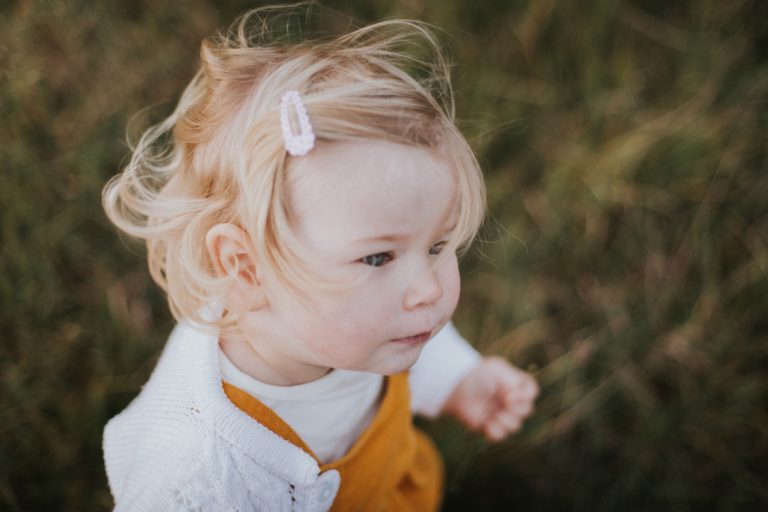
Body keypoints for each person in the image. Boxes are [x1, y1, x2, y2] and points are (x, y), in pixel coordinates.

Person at [101, 5, 538, 511]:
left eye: (437, 247)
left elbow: (418, 341)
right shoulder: (194, 474)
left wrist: (459, 378)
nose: (429, 290)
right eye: (378, 259)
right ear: (245, 268)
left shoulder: (372, 322)